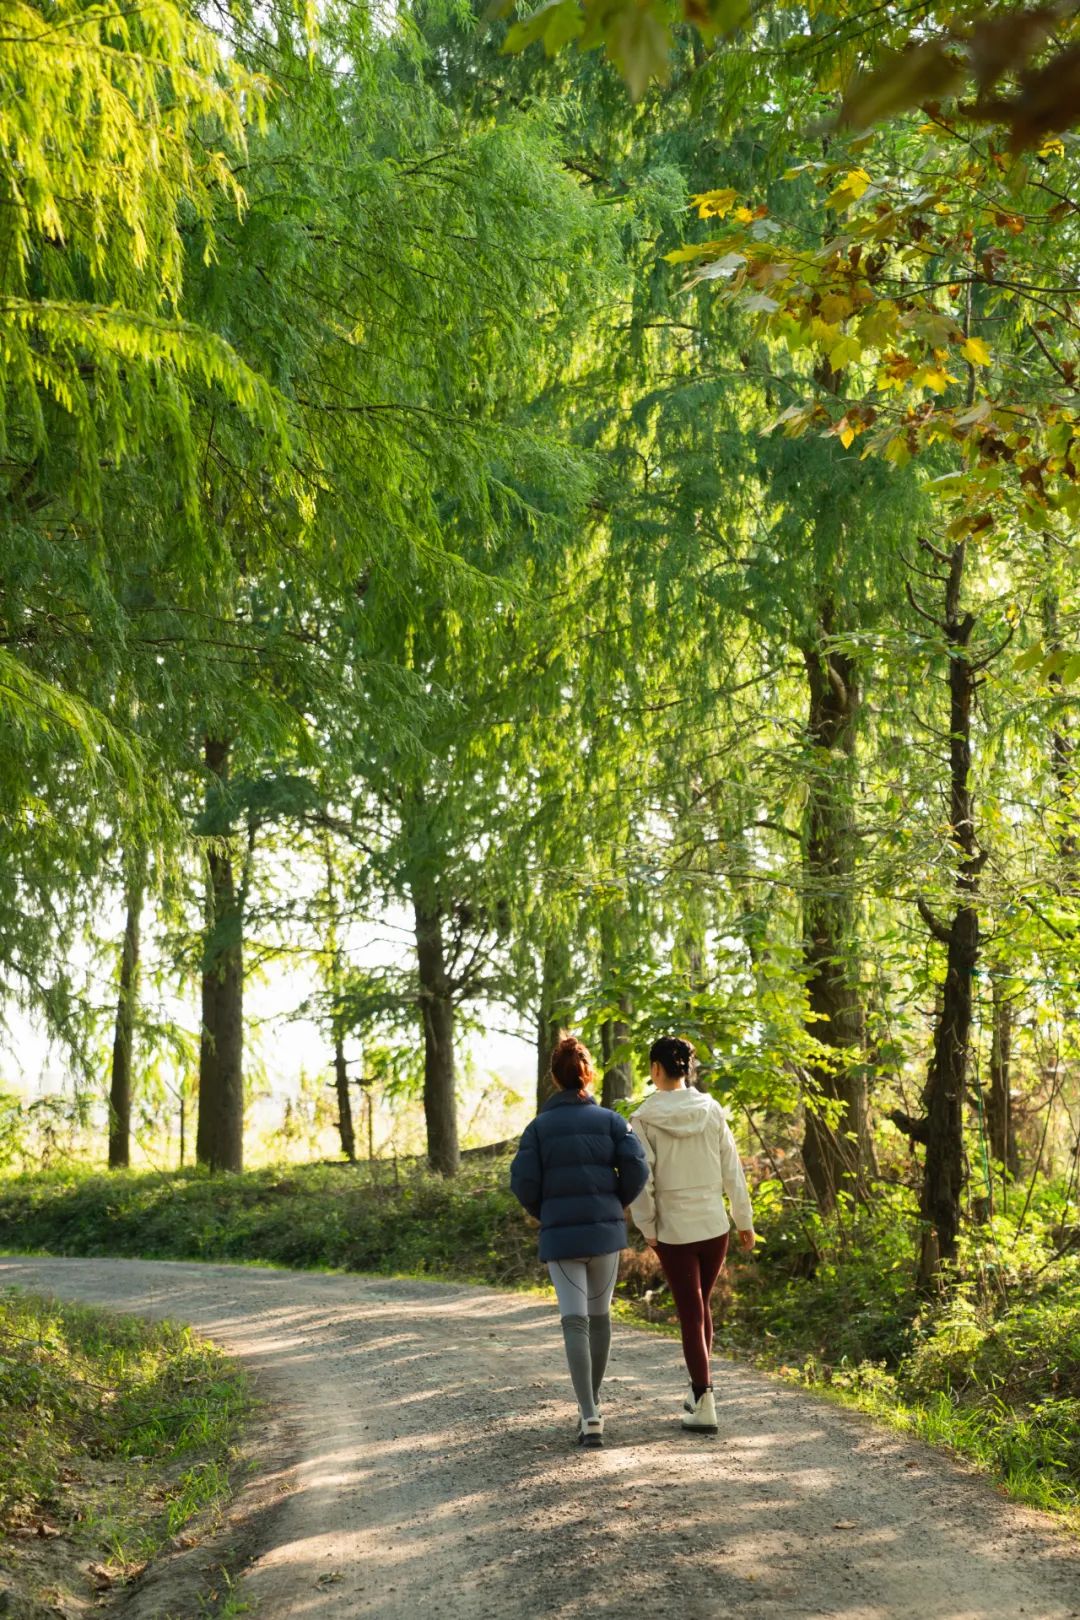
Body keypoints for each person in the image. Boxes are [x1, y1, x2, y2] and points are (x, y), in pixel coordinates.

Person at [510, 1035, 649, 1449]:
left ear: (555, 1077)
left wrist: (546, 1212)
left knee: (575, 1320)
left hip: (561, 1235)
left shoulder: (537, 1127)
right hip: (605, 1232)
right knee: (599, 1318)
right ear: (588, 1075)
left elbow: (523, 1182)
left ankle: (589, 1414)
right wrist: (613, 1204)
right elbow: (637, 1169)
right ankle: (594, 1405)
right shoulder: (610, 1121)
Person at [629, 1035, 755, 1435]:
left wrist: (647, 1227)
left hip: (675, 1230)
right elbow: (731, 1168)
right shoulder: (711, 1109)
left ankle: (704, 1401)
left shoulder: (644, 1118)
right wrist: (743, 1220)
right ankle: (699, 1391)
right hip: (714, 1227)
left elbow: (642, 1182)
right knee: (701, 1309)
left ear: (655, 1070)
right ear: (687, 1069)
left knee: (691, 1314)